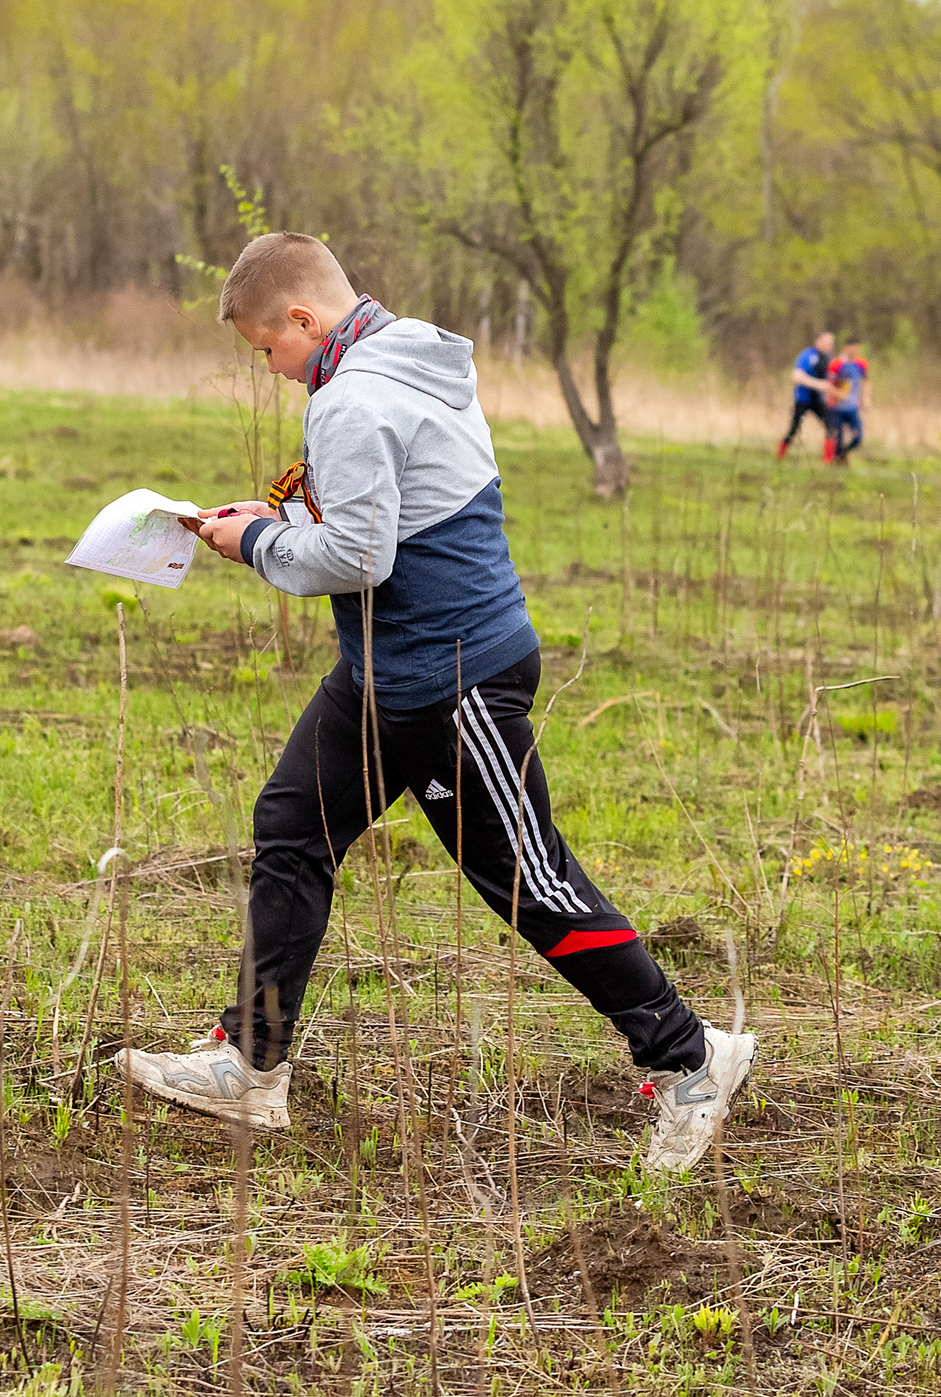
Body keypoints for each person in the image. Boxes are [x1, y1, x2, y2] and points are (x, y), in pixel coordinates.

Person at [113, 232, 757, 1175]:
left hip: (456, 683)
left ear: (304, 320)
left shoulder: (353, 397)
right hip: (384, 676)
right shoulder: (403, 354)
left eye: (267, 350)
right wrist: (271, 518)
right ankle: (251, 1061)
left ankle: (693, 1059)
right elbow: (387, 513)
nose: (273, 371)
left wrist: (255, 546)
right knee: (293, 824)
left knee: (532, 885)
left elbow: (359, 558)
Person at [777, 330, 836, 460]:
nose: (829, 345)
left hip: (819, 401)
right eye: (826, 342)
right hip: (803, 400)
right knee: (793, 430)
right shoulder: (807, 355)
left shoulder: (829, 359)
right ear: (817, 341)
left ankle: (828, 462)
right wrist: (818, 385)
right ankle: (779, 457)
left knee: (831, 428)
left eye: (831, 343)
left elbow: (832, 380)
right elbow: (797, 376)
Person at [826, 339, 869, 464]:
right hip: (836, 408)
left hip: (852, 407)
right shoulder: (836, 364)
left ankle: (843, 455)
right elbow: (830, 385)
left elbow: (866, 381)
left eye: (856, 347)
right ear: (845, 348)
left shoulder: (862, 364)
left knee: (858, 438)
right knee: (837, 440)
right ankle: (836, 462)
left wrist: (866, 399)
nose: (854, 350)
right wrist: (839, 394)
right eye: (852, 347)